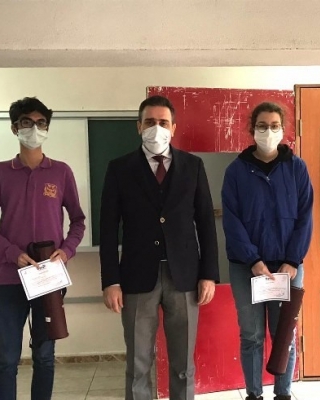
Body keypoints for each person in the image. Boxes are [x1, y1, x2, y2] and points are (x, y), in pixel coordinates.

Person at [99, 95, 219, 400]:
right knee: (138, 363)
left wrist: (208, 274)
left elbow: (206, 222)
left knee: (183, 365)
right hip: (137, 277)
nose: (157, 128)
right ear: (139, 126)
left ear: (174, 127)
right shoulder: (119, 168)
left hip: (185, 277)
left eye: (163, 122)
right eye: (150, 122)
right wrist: (111, 280)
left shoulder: (193, 166)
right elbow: (108, 229)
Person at [0, 97, 86, 400]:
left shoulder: (61, 172)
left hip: (49, 280)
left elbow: (78, 221)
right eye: (27, 122)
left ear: (47, 128)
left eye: (41, 123)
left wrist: (66, 250)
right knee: (7, 358)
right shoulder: (0, 172)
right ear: (15, 128)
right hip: (9, 280)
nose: (34, 129)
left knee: (45, 356)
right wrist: (13, 254)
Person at [221, 102, 314, 400]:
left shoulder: (297, 168)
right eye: (262, 126)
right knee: (252, 335)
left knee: (284, 334)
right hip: (246, 267)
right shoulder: (236, 171)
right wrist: (253, 259)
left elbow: (305, 217)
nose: (268, 131)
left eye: (274, 126)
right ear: (252, 129)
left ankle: (283, 394)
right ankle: (253, 394)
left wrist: (292, 260)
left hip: (287, 268)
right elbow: (232, 220)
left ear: (283, 130)